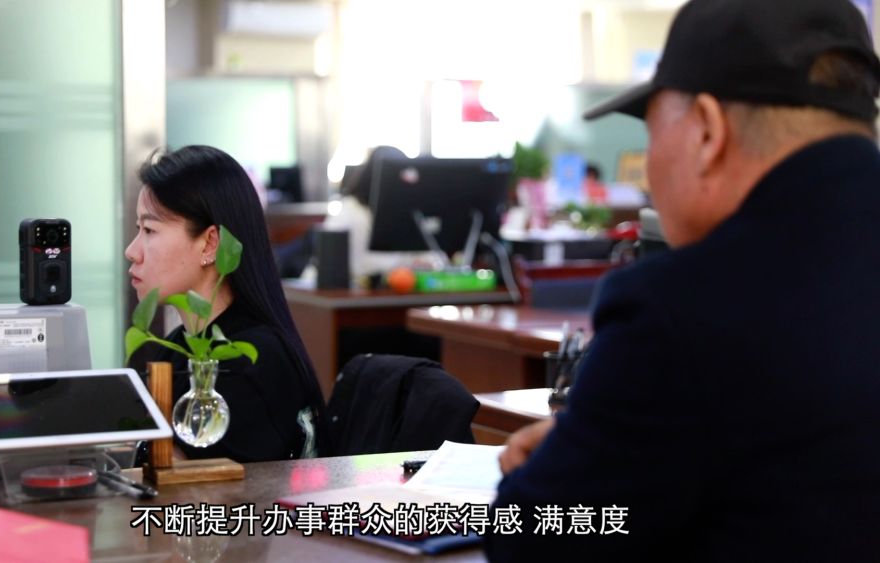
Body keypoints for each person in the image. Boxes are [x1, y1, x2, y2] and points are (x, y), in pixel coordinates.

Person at [485, 0, 880, 560]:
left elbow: (532, 543)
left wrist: (555, 469)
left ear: (707, 132)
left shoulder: (682, 307)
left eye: (650, 135)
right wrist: (610, 437)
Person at [126, 145, 329, 462]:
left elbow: (208, 487)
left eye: (150, 230)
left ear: (210, 244)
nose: (132, 251)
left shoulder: (250, 365)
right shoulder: (173, 350)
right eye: (138, 229)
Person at [324, 145, 441, 285]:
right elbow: (356, 266)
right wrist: (404, 264)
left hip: (400, 289)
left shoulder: (405, 210)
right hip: (358, 290)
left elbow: (431, 258)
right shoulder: (351, 211)